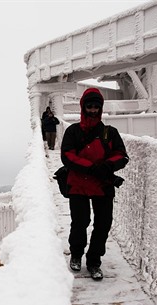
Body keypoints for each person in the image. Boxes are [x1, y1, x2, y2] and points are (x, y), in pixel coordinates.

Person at [60, 87, 129, 281]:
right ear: (83, 107)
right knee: (80, 222)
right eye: (89, 106)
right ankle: (76, 254)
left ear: (101, 108)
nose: (92, 110)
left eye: (96, 107)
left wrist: (107, 165)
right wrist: (92, 168)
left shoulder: (109, 133)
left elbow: (122, 155)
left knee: (103, 224)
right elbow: (66, 156)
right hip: (79, 184)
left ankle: (94, 261)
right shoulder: (72, 131)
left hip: (103, 185)